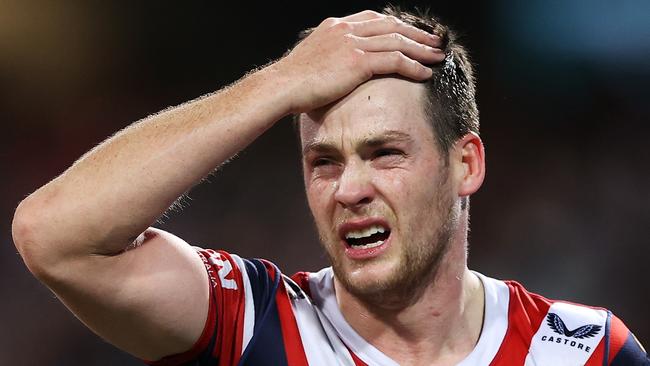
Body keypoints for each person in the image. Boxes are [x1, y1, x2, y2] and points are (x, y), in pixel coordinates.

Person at [11, 5, 648, 366]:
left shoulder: (588, 352)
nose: (349, 189)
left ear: (466, 165)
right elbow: (52, 234)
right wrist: (279, 83)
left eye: (384, 152)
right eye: (324, 162)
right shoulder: (257, 324)